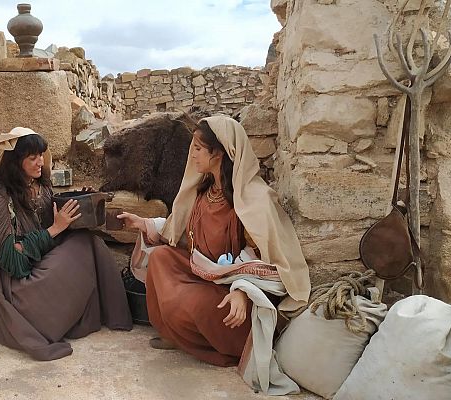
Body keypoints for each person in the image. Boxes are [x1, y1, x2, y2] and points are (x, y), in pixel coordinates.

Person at [118, 115, 311, 395]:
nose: (192, 154)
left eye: (198, 148)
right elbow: (183, 235)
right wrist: (145, 223)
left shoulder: (254, 199)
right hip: (206, 274)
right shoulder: (204, 191)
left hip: (234, 289)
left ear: (219, 152)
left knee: (192, 303)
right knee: (161, 258)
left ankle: (219, 344)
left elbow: (266, 261)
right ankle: (176, 335)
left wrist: (242, 292)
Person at [0, 127, 132, 361]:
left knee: (89, 241)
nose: (40, 162)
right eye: (32, 157)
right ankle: (53, 317)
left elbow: (50, 227)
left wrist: (81, 200)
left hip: (38, 260)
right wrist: (54, 229)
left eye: (41, 155)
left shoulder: (41, 185)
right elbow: (11, 258)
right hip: (15, 283)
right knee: (81, 246)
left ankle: (101, 314)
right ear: (14, 161)